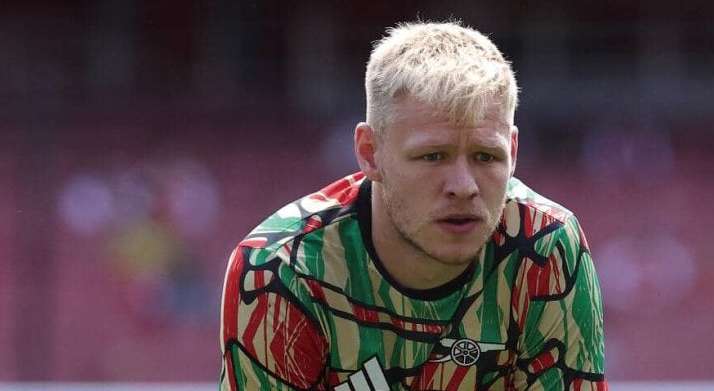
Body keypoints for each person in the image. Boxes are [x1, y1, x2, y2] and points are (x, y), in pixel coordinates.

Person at [220, 20, 607, 391]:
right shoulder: (279, 270)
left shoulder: (546, 248)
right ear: (370, 153)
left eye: (486, 157)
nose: (464, 187)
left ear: (514, 151)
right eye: (432, 156)